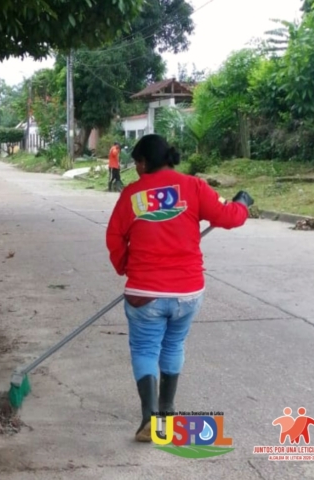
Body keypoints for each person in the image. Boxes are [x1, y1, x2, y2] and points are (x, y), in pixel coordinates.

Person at [105, 134, 254, 442]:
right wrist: (241, 204)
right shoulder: (193, 186)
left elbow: (114, 238)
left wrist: (126, 267)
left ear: (145, 162)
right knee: (172, 347)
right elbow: (228, 217)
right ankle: (168, 413)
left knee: (146, 349)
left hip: (145, 293)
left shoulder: (132, 194)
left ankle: (150, 419)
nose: (135, 169)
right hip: (188, 293)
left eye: (136, 163)